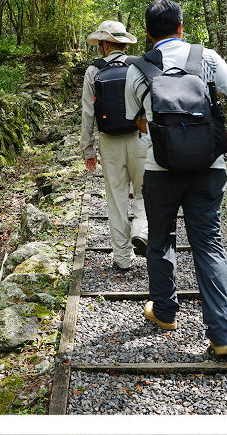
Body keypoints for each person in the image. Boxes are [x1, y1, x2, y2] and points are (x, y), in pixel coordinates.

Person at [124, 0, 227, 355]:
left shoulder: (139, 68)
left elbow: (138, 121)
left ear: (148, 34)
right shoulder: (206, 57)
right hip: (208, 169)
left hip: (160, 170)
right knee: (208, 243)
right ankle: (222, 334)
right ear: (181, 27)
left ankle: (164, 312)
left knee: (161, 238)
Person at [80, 20, 149, 271]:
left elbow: (88, 114)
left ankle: (122, 259)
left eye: (100, 44)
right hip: (140, 138)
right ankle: (142, 231)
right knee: (144, 193)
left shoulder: (93, 72)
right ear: (123, 43)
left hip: (109, 142)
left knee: (117, 200)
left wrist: (88, 150)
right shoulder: (139, 66)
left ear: (106, 44)